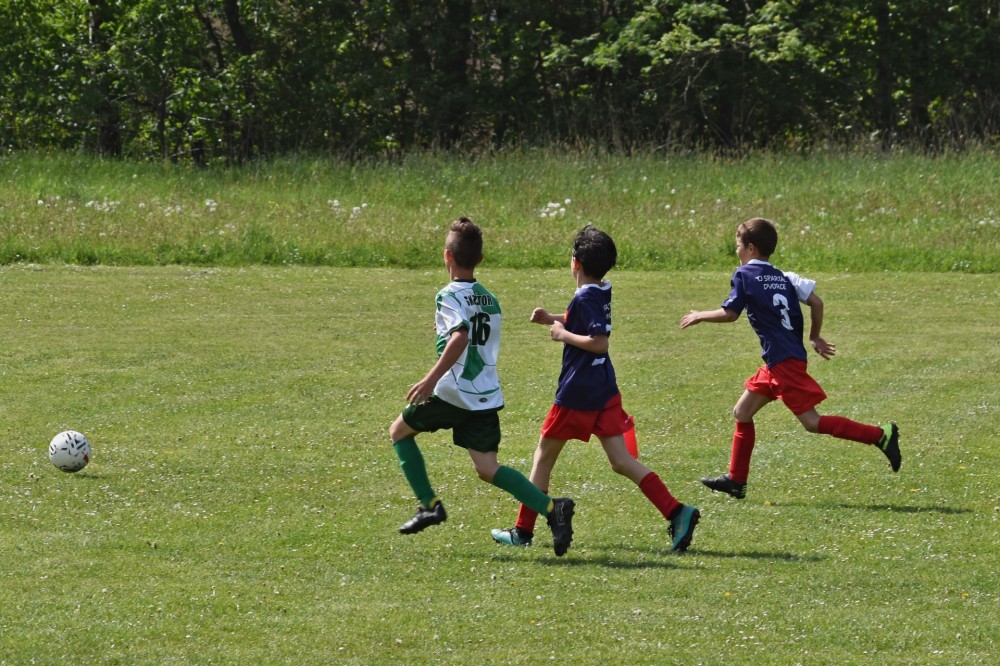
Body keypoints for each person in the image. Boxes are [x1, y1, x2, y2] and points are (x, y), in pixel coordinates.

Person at [491, 226, 700, 552]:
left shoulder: (584, 296)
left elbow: (599, 341)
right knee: (620, 460)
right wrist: (552, 318)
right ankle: (677, 511)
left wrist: (561, 335)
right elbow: (585, 320)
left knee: (543, 457)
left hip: (578, 392)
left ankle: (523, 531)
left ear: (575, 263)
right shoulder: (601, 289)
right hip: (603, 388)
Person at [389, 217, 575, 556]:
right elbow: (475, 338)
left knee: (399, 432)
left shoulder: (447, 295)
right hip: (484, 395)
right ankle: (553, 509)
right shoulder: (491, 299)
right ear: (480, 259)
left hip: (452, 391)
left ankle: (429, 504)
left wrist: (431, 379)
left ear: (447, 256)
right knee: (488, 468)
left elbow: (460, 337)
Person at [679, 217, 901, 500]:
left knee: (812, 422)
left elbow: (731, 313)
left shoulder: (744, 274)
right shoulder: (785, 277)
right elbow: (816, 302)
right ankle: (736, 480)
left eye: (738, 246)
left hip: (783, 363)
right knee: (742, 412)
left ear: (750, 248)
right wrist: (815, 336)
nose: (737, 251)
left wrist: (700, 315)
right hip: (783, 359)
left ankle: (880, 435)